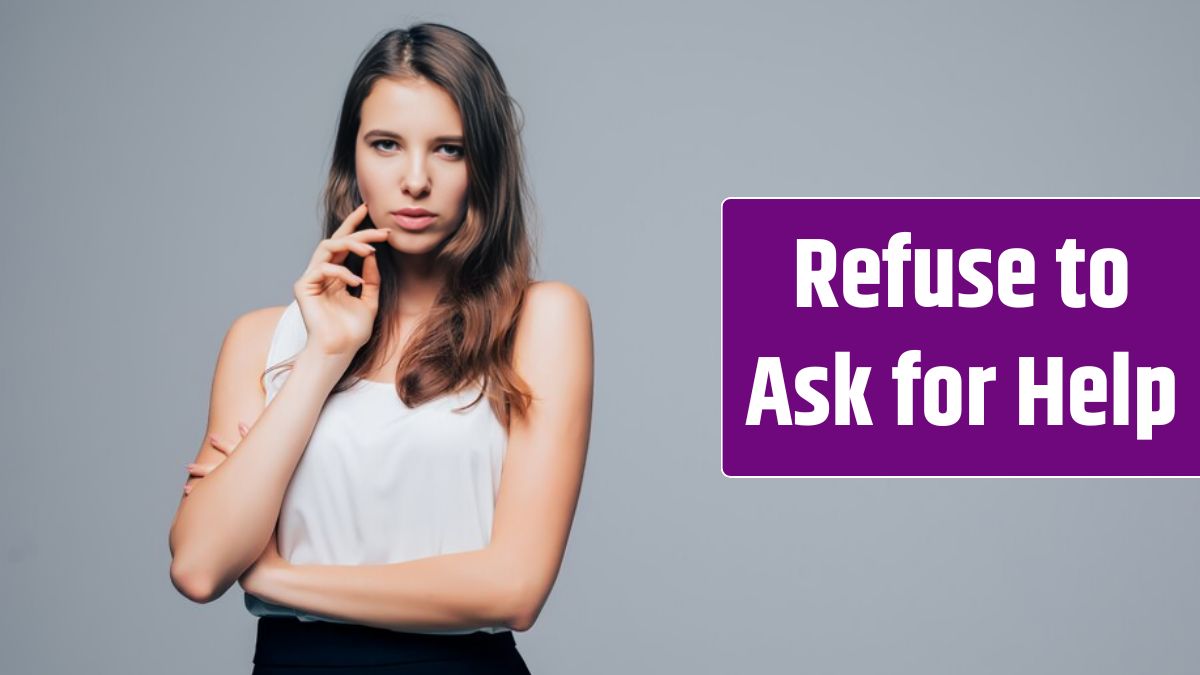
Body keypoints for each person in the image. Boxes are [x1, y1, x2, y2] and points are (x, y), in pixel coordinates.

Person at [167, 23, 593, 674]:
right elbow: (198, 567)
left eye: (448, 149)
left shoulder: (540, 320)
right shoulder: (263, 341)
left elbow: (514, 588)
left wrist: (277, 578)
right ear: (352, 159)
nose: (415, 179)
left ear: (484, 164)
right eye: (387, 144)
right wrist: (323, 356)